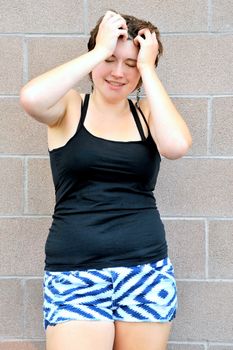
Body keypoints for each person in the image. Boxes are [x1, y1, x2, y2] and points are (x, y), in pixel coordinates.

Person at [20, 10, 192, 350]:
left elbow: (176, 146)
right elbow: (30, 98)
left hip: (144, 270)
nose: (118, 72)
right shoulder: (69, 108)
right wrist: (98, 50)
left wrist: (148, 69)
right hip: (74, 272)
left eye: (130, 64)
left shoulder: (146, 114)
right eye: (110, 59)